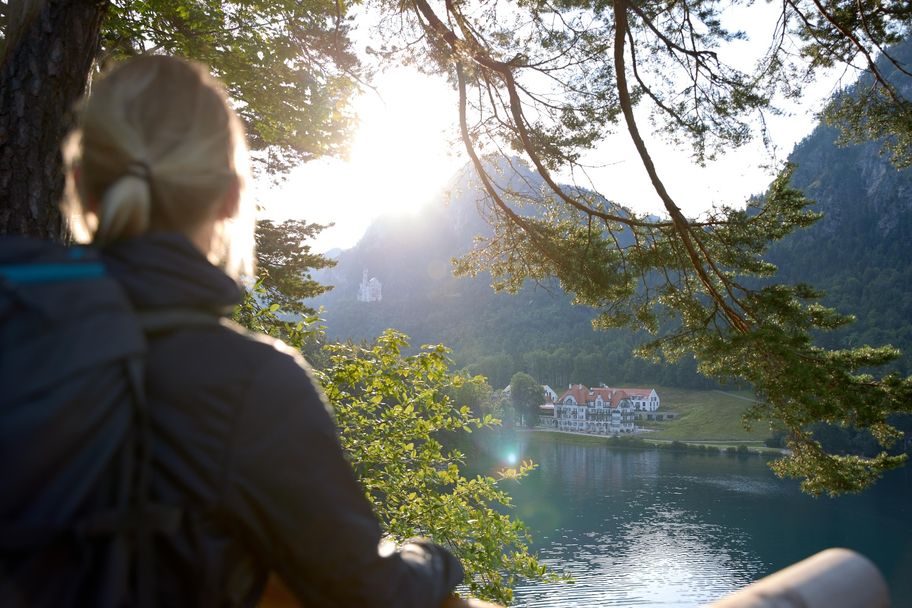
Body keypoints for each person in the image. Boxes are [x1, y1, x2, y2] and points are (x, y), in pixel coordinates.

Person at [64, 55, 464, 607]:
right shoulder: (249, 384)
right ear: (230, 196)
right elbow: (368, 591)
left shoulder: (19, 334)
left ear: (81, 185)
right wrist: (439, 560)